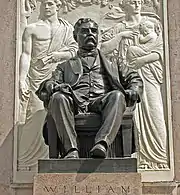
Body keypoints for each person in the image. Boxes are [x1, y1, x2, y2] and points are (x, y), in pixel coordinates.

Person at [36, 18, 143, 159]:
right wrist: (55, 86)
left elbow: (134, 79)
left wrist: (133, 90)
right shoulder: (65, 66)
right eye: (85, 31)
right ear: (76, 37)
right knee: (58, 98)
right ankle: (71, 150)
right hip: (74, 103)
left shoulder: (113, 63)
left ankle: (102, 144)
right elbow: (49, 83)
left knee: (117, 95)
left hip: (102, 102)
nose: (90, 34)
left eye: (94, 31)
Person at [101, 0, 168, 169]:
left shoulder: (152, 23)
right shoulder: (119, 28)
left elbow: (161, 49)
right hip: (123, 79)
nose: (137, 4)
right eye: (132, 1)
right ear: (124, 5)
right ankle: (132, 157)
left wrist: (141, 60)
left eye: (139, 1)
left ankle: (157, 157)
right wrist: (120, 36)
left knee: (153, 111)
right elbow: (103, 49)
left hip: (147, 76)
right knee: (123, 115)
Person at [18, 0, 77, 170]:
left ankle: (57, 156)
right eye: (44, 3)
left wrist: (56, 56)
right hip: (37, 77)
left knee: (59, 114)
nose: (46, 6)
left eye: (50, 3)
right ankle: (28, 161)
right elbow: (26, 55)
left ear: (58, 5)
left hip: (59, 76)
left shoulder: (68, 28)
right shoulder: (32, 28)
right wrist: (22, 79)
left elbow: (74, 51)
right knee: (35, 116)